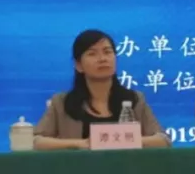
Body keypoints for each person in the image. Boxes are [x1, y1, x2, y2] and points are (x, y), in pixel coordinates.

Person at [34, 29, 170, 149]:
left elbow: (163, 140)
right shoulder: (61, 103)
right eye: (92, 54)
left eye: (107, 52)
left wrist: (128, 141)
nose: (102, 59)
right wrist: (80, 144)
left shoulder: (135, 99)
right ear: (78, 65)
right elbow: (35, 141)